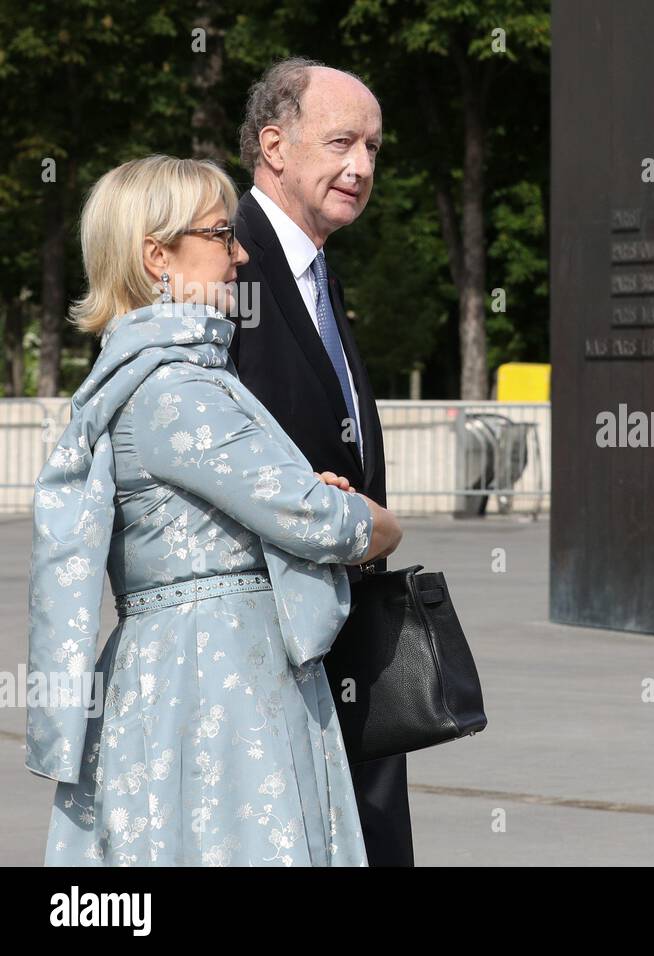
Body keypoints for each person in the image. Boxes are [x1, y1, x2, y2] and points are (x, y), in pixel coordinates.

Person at [28, 155, 403, 865]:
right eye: (222, 235)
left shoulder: (171, 376)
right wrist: (381, 524)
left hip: (193, 668)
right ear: (156, 256)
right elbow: (324, 522)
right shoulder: (177, 389)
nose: (239, 255)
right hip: (217, 679)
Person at [228, 59, 415, 864]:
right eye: (342, 142)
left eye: (373, 147)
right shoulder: (225, 261)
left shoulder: (318, 271)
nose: (363, 166)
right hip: (269, 633)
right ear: (274, 144)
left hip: (344, 622)